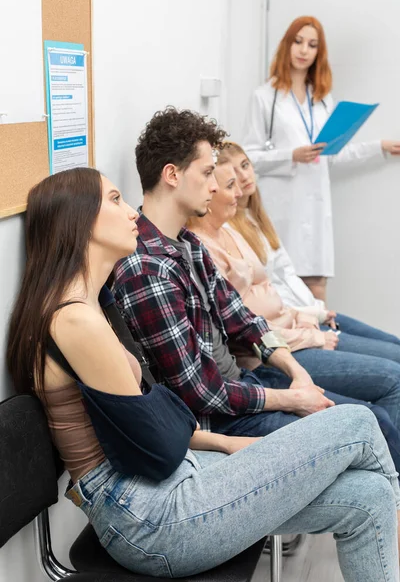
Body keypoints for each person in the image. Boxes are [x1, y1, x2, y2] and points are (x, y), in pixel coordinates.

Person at [7, 167, 400, 581]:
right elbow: (156, 439)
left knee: (369, 496)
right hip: (150, 518)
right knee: (357, 422)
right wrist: (186, 424)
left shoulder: (95, 306)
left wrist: (229, 444)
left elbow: (160, 420)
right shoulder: (75, 321)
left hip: (168, 484)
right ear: (81, 219)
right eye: (117, 200)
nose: (131, 214)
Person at [113, 107, 400, 473]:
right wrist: (292, 398)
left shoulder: (186, 243)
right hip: (221, 419)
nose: (216, 186)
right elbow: (203, 393)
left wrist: (296, 371)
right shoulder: (147, 269)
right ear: (172, 175)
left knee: (374, 419)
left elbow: (244, 320)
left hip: (245, 388)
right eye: (206, 174)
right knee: (372, 428)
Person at [242, 15, 400, 301]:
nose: (304, 50)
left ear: (319, 52)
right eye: (298, 42)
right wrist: (292, 155)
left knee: (316, 287)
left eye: (312, 45)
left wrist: (380, 147)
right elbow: (249, 157)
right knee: (279, 290)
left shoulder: (324, 100)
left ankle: (325, 343)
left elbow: (333, 155)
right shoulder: (265, 97)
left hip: (315, 208)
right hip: (281, 208)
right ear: (287, 45)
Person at [222, 140, 400, 364]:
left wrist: (315, 308)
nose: (244, 177)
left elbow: (286, 273)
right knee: (394, 360)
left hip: (308, 314)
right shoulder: (229, 231)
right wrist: (309, 315)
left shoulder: (257, 218)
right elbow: (268, 300)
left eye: (245, 165)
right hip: (294, 326)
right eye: (233, 175)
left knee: (394, 343)